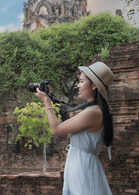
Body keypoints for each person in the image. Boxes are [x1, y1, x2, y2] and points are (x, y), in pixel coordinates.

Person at [35, 62, 114, 195]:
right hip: (81, 166)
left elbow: (56, 129)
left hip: (83, 169)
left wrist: (47, 102)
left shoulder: (93, 112)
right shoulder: (94, 109)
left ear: (94, 85)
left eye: (81, 81)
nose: (78, 85)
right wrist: (50, 98)